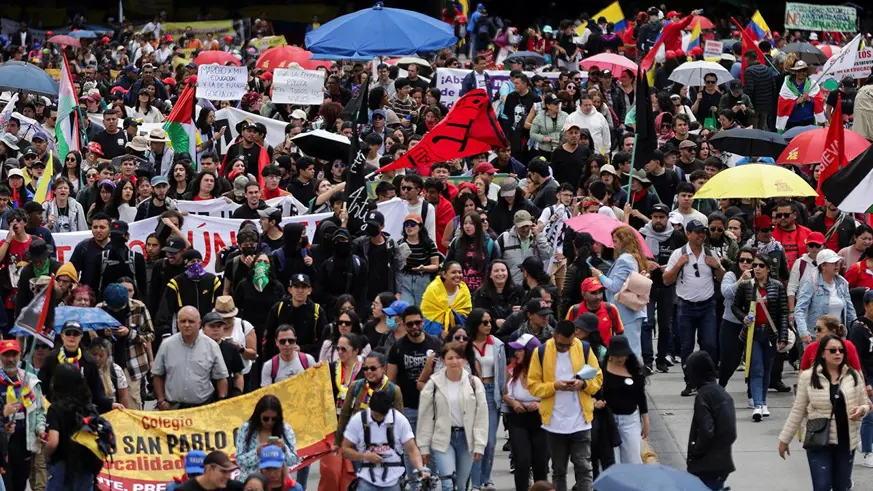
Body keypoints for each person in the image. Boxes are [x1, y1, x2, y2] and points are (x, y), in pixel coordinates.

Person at [778, 334, 871, 491]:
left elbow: (866, 404)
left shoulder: (853, 376)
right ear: (822, 353)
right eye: (833, 350)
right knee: (821, 486)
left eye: (841, 351)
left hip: (845, 441)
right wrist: (784, 439)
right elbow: (798, 409)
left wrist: (862, 410)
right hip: (819, 440)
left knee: (841, 486)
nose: (838, 354)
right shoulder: (809, 377)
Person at [527, 320, 603, 491]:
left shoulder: (583, 349)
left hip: (581, 420)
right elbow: (533, 386)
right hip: (554, 423)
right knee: (558, 470)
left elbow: (597, 378)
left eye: (568, 345)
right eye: (561, 345)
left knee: (584, 468)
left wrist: (582, 385)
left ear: (575, 336)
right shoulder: (541, 351)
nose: (565, 348)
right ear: (554, 336)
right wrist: (554, 386)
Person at [664, 219, 725, 397]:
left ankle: (707, 381)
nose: (701, 236)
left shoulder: (710, 253)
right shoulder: (678, 254)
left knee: (710, 345)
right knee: (686, 346)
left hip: (707, 306)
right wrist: (678, 265)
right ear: (688, 234)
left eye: (702, 232)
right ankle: (690, 382)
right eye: (697, 232)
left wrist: (717, 266)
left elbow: (722, 278)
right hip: (686, 306)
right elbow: (667, 280)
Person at [417, 343, 488, 491]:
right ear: (443, 360)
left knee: (461, 485)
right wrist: (424, 447)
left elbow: (481, 415)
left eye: (458, 357)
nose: (454, 361)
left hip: (466, 439)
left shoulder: (474, 383)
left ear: (465, 360)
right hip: (443, 438)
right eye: (450, 358)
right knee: (448, 482)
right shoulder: (434, 384)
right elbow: (425, 416)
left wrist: (479, 444)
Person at [387, 305, 441, 486]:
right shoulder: (397, 347)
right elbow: (391, 380)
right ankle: (415, 484)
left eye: (418, 322)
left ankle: (429, 485)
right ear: (403, 324)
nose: (414, 327)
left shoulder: (435, 343)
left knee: (431, 449)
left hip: (432, 406)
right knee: (410, 449)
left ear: (423, 321)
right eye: (410, 324)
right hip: (407, 407)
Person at [731, 253, 789, 421]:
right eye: (754, 265)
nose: (756, 268)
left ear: (768, 269)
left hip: (770, 333)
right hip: (753, 333)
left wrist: (783, 336)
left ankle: (763, 401)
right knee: (756, 369)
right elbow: (735, 306)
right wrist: (743, 317)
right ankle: (757, 404)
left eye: (761, 266)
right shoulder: (746, 286)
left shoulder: (777, 286)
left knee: (767, 368)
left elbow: (783, 313)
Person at [341, 389, 431, 491]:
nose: (379, 418)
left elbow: (412, 450)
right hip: (366, 478)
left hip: (392, 479)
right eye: (376, 415)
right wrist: (365, 456)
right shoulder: (358, 420)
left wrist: (421, 470)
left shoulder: (400, 420)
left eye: (382, 415)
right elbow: (345, 450)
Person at [152, 306, 229, 409]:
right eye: (183, 321)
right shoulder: (167, 345)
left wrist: (221, 402)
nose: (187, 325)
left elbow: (221, 378)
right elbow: (157, 375)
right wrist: (161, 401)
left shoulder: (211, 346)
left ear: (199, 324)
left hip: (202, 408)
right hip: (173, 408)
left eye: (191, 321)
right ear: (177, 323)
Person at [639, 203, 686, 372]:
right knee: (647, 322)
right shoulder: (642, 234)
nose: (658, 221)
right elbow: (633, 256)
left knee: (666, 324)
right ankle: (647, 360)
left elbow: (684, 257)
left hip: (668, 285)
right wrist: (645, 262)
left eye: (662, 217)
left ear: (668, 218)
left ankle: (661, 359)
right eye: (655, 217)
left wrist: (671, 266)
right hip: (647, 284)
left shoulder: (677, 236)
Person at [590, 226, 649, 359]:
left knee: (631, 351)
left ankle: (636, 377)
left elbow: (614, 286)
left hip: (627, 312)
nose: (613, 245)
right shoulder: (633, 258)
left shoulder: (625, 259)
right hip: (630, 311)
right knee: (631, 349)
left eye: (615, 241)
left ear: (624, 241)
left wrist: (599, 275)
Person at [43, 364, 103, 491]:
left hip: (62, 468)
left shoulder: (55, 409)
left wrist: (44, 453)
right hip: (85, 466)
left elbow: (53, 442)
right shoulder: (88, 407)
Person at [38, 320, 118, 413]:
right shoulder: (51, 359)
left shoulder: (89, 361)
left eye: (76, 334)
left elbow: (97, 392)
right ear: (62, 335)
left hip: (82, 413)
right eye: (68, 333)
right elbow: (40, 387)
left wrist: (110, 404)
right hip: (56, 411)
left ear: (81, 336)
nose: (72, 337)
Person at [502, 333, 549, 490]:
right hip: (519, 419)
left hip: (540, 419)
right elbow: (504, 394)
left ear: (530, 352)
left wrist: (539, 403)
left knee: (540, 464)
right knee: (522, 461)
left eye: (520, 350)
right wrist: (514, 402)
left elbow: (552, 393)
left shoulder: (544, 372)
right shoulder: (512, 370)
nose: (516, 353)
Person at [685, 350, 737, 490]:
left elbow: (706, 431)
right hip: (722, 461)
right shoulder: (722, 393)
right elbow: (731, 431)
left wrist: (696, 451)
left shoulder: (703, 396)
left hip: (706, 465)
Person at [0, 339, 46, 491]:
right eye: (6, 355)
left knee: (20, 482)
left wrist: (40, 429)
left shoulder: (30, 381)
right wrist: (2, 414)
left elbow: (39, 410)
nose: (11, 359)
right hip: (2, 445)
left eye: (14, 355)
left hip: (23, 442)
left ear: (20, 356)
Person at [599, 335, 649, 464]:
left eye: (623, 355)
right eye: (616, 355)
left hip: (630, 420)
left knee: (633, 461)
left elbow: (641, 397)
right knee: (612, 462)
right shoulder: (601, 370)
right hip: (609, 420)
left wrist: (646, 421)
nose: (620, 358)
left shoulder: (635, 371)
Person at [795, 249, 857, 346]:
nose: (837, 265)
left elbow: (850, 310)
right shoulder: (812, 283)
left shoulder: (843, 283)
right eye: (833, 262)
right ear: (823, 266)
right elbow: (800, 309)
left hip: (839, 337)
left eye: (838, 262)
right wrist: (803, 332)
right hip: (816, 338)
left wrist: (855, 328)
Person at [235, 394, 300, 481]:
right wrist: (256, 453)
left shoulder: (286, 429)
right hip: (252, 483)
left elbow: (294, 460)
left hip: (278, 483)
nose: (270, 422)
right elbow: (239, 460)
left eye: (274, 419)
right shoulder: (246, 429)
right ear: (258, 416)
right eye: (266, 418)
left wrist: (284, 449)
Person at [849, 290, 873, 467]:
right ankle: (867, 452)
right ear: (866, 305)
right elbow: (855, 358)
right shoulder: (858, 328)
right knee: (870, 415)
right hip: (867, 375)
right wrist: (863, 382)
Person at [398, 213, 441, 307]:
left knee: (422, 309)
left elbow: (435, 265)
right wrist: (402, 262)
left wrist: (424, 268)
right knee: (407, 308)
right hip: (405, 279)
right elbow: (395, 265)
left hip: (423, 278)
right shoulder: (399, 244)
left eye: (413, 225)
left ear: (420, 227)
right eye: (406, 225)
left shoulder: (428, 244)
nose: (409, 227)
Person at [420, 261, 473, 338]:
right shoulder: (433, 290)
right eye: (453, 272)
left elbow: (466, 316)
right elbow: (427, 315)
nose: (458, 275)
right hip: (436, 338)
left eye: (460, 272)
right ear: (444, 274)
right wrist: (440, 333)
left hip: (461, 337)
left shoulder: (464, 291)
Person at [173, 451, 239, 491]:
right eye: (223, 471)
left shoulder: (234, 487)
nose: (228, 476)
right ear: (208, 469)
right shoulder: (182, 489)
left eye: (230, 471)